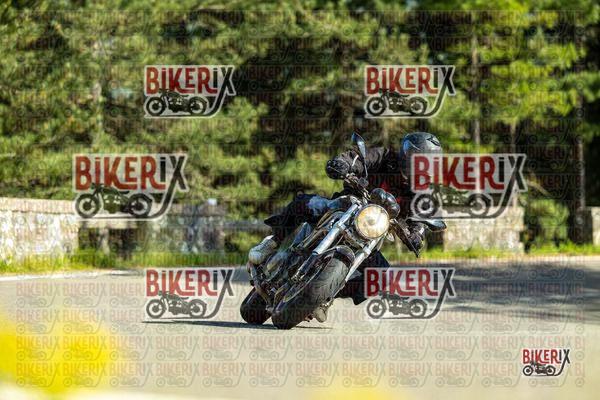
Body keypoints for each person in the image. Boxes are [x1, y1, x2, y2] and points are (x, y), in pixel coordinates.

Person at [248, 131, 443, 319]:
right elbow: (357, 158)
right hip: (346, 206)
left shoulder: (422, 192)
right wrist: (342, 164)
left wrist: (416, 234)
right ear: (408, 155)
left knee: (381, 276)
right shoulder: (384, 157)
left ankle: (326, 294)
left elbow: (421, 220)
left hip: (371, 232)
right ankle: (273, 242)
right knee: (305, 203)